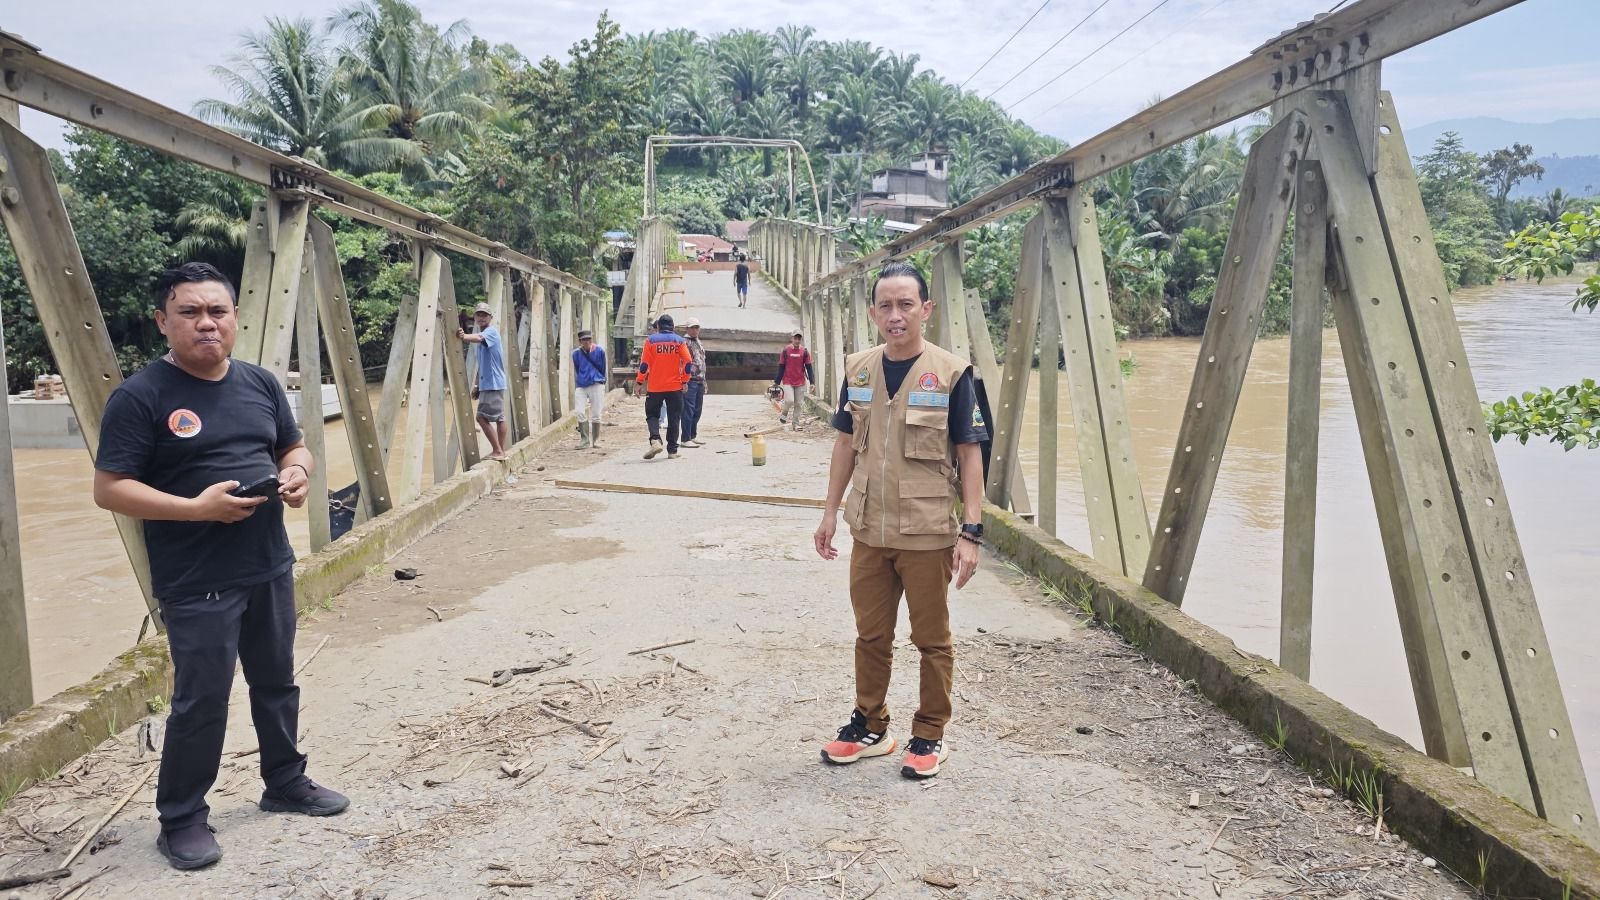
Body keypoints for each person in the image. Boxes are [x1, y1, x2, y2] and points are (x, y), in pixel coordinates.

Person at [92, 262, 350, 871]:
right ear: (163, 322)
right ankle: (181, 818)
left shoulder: (260, 383)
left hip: (267, 562)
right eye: (190, 313)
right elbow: (110, 489)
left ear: (234, 318)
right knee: (202, 699)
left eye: (217, 312)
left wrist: (298, 473)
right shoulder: (141, 397)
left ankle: (284, 782)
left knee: (277, 680)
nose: (206, 323)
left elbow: (294, 444)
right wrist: (192, 509)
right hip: (196, 577)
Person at [812, 261, 990, 781]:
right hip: (869, 528)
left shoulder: (953, 373)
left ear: (925, 310)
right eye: (885, 306)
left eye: (905, 305)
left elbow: (970, 452)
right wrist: (828, 511)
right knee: (870, 635)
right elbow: (846, 442)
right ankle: (870, 726)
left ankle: (930, 732)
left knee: (931, 640)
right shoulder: (859, 369)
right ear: (873, 312)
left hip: (927, 530)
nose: (895, 316)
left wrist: (971, 532)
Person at [635, 314, 695, 459]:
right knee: (674, 418)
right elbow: (687, 362)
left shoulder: (650, 341)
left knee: (652, 415)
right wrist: (685, 381)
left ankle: (655, 439)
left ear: (658, 327)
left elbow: (644, 365)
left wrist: (639, 383)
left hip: (655, 387)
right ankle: (672, 451)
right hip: (675, 387)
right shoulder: (679, 341)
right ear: (673, 327)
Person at [455, 302, 508, 461]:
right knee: (499, 417)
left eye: (484, 315)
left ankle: (498, 451)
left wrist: (464, 337)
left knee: (481, 417)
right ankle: (500, 450)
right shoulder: (485, 337)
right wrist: (478, 385)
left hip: (493, 383)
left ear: (490, 317)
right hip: (491, 383)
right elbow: (484, 364)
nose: (481, 317)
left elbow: (477, 337)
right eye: (479, 314)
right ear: (476, 318)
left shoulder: (491, 332)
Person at [773, 331, 815, 431]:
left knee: (798, 403)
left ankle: (795, 424)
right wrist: (777, 382)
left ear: (800, 340)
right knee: (789, 400)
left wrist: (812, 382)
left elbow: (809, 367)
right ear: (792, 338)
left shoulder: (804, 351)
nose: (797, 340)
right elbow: (781, 366)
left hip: (800, 381)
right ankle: (784, 412)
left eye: (799, 339)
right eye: (795, 338)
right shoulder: (785, 351)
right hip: (788, 380)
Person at [572, 329, 607, 449]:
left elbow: (603, 367)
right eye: (584, 340)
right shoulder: (576, 354)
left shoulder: (600, 351)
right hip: (582, 384)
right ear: (580, 341)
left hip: (596, 383)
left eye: (588, 339)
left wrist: (600, 380)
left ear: (591, 339)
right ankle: (585, 439)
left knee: (596, 413)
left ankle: (595, 440)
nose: (587, 342)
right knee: (579, 411)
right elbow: (578, 368)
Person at [680, 318, 708, 448]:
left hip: (700, 380)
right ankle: (685, 438)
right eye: (692, 327)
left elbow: (702, 362)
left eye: (697, 327)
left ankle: (692, 435)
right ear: (687, 329)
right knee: (688, 410)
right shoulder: (685, 342)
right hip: (690, 380)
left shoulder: (698, 342)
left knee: (697, 410)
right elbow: (683, 362)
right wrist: (683, 381)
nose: (695, 330)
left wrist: (705, 381)